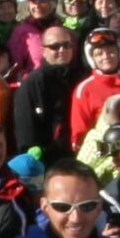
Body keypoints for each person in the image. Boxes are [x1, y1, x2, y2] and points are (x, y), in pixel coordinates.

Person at [13, 23, 83, 158]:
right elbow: (26, 129)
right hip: (48, 158)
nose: (62, 50)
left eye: (67, 45)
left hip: (78, 155)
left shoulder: (81, 78)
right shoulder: (32, 83)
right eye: (55, 46)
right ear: (43, 51)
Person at [66, 25, 120, 151]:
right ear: (92, 58)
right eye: (99, 54)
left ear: (119, 54)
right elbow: (79, 135)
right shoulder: (84, 90)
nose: (106, 56)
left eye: (111, 51)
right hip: (101, 153)